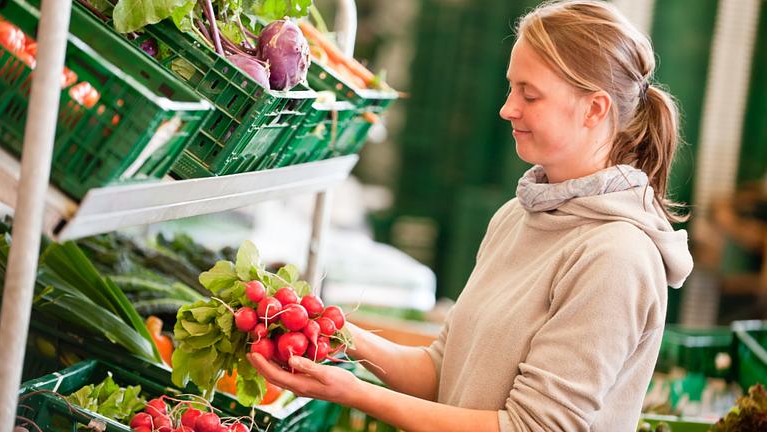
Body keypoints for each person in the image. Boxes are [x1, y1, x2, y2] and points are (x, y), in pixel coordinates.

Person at [247, 1, 694, 430]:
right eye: (511, 87)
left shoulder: (616, 258)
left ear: (595, 108)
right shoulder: (517, 216)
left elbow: (530, 428)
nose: (507, 109)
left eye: (529, 95)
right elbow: (442, 371)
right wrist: (333, 329)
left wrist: (356, 392)